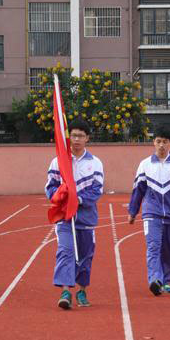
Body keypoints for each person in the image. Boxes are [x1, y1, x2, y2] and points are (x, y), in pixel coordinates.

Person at [45, 118, 104, 309]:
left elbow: (97, 190)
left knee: (85, 256)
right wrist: (60, 196)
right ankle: (65, 291)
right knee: (66, 250)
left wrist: (77, 200)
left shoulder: (95, 163)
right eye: (74, 135)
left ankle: (82, 290)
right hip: (64, 217)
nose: (77, 139)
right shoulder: (58, 161)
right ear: (68, 137)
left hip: (86, 218)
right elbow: (50, 186)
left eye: (81, 135)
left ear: (87, 138)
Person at [127, 126, 170, 296]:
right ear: (153, 143)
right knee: (153, 246)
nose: (161, 145)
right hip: (151, 212)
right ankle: (155, 280)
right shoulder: (145, 164)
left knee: (169, 249)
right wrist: (133, 211)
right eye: (158, 141)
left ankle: (167, 280)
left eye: (165, 141)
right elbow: (138, 189)